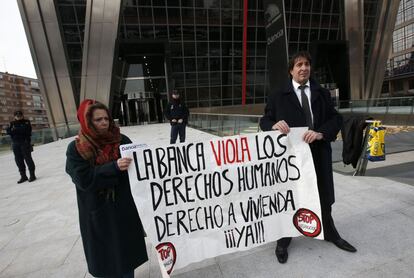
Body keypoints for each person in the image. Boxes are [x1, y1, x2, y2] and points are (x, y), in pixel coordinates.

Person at [260, 51, 357, 264]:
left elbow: (335, 118)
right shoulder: (278, 95)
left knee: (323, 195)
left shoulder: (321, 92)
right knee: (290, 196)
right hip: (291, 157)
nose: (304, 68)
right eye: (299, 65)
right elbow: (265, 120)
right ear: (291, 70)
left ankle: (330, 232)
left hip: (319, 152)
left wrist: (322, 132)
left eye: (306, 64)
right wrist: (273, 125)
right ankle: (284, 239)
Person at [65, 99, 148, 277]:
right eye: (98, 119)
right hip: (98, 212)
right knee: (106, 260)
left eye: (106, 119)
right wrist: (114, 167)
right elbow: (83, 179)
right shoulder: (76, 148)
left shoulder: (122, 140)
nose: (104, 122)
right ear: (86, 122)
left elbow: (139, 169)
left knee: (126, 258)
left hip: (124, 210)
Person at [7, 110, 36, 183]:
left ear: (22, 115)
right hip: (15, 144)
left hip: (25, 142)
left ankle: (32, 175)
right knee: (18, 160)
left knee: (28, 159)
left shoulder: (26, 122)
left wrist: (15, 130)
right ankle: (23, 176)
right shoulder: (11, 123)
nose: (19, 117)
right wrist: (19, 130)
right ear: (14, 116)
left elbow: (27, 131)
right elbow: (8, 132)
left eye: (20, 115)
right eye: (17, 116)